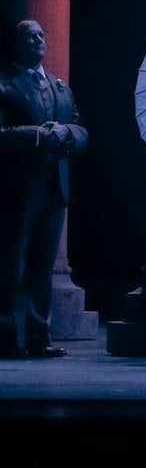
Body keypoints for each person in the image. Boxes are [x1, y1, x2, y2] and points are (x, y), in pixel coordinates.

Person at [0, 19, 89, 359]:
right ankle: (8, 336)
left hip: (54, 188)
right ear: (15, 43)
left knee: (42, 266)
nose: (38, 39)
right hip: (16, 188)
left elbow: (79, 127)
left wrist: (66, 133)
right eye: (30, 35)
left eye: (41, 34)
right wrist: (38, 134)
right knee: (11, 265)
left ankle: (39, 336)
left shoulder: (59, 86)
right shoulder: (4, 83)